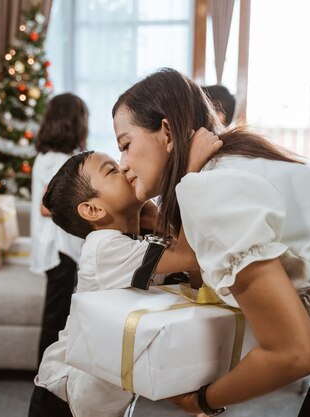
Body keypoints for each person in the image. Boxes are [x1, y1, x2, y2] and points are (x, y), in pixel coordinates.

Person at [111, 67, 310, 417]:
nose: (122, 164)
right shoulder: (235, 161)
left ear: (167, 132)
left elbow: (293, 354)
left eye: (125, 145)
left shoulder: (210, 189)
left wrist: (201, 400)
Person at [30, 130, 223, 417]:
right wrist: (189, 173)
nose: (124, 167)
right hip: (65, 397)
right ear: (93, 209)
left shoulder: (140, 242)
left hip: (108, 397)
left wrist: (155, 217)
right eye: (111, 171)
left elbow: (194, 275)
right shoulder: (103, 248)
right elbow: (189, 254)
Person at [30, 93, 89, 365]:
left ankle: (53, 366)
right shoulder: (56, 160)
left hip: (58, 247)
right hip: (60, 249)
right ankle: (47, 370)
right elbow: (46, 205)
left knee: (59, 310)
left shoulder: (47, 156)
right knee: (56, 314)